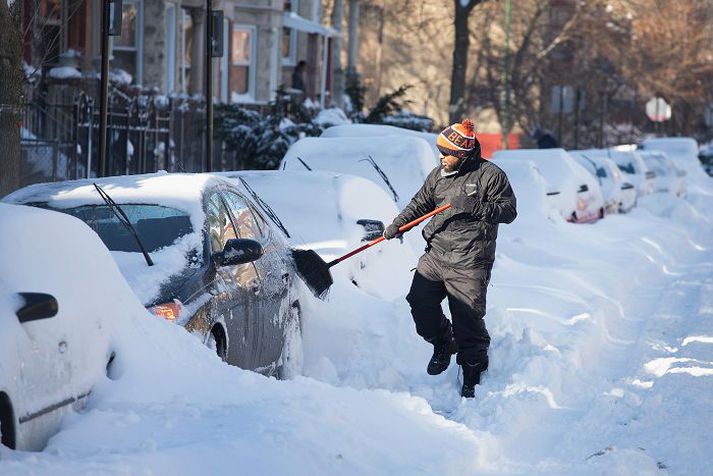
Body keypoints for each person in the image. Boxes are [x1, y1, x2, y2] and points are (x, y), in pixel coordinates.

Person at [383, 119, 517, 398]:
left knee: (468, 321)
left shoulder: (490, 175)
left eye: (446, 153)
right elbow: (419, 204)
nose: (441, 157)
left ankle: (472, 372)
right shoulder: (438, 175)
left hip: (470, 260)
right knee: (420, 304)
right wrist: (398, 224)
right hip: (436, 255)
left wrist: (476, 206)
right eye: (439, 151)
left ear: (463, 153)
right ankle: (443, 342)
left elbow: (508, 211)